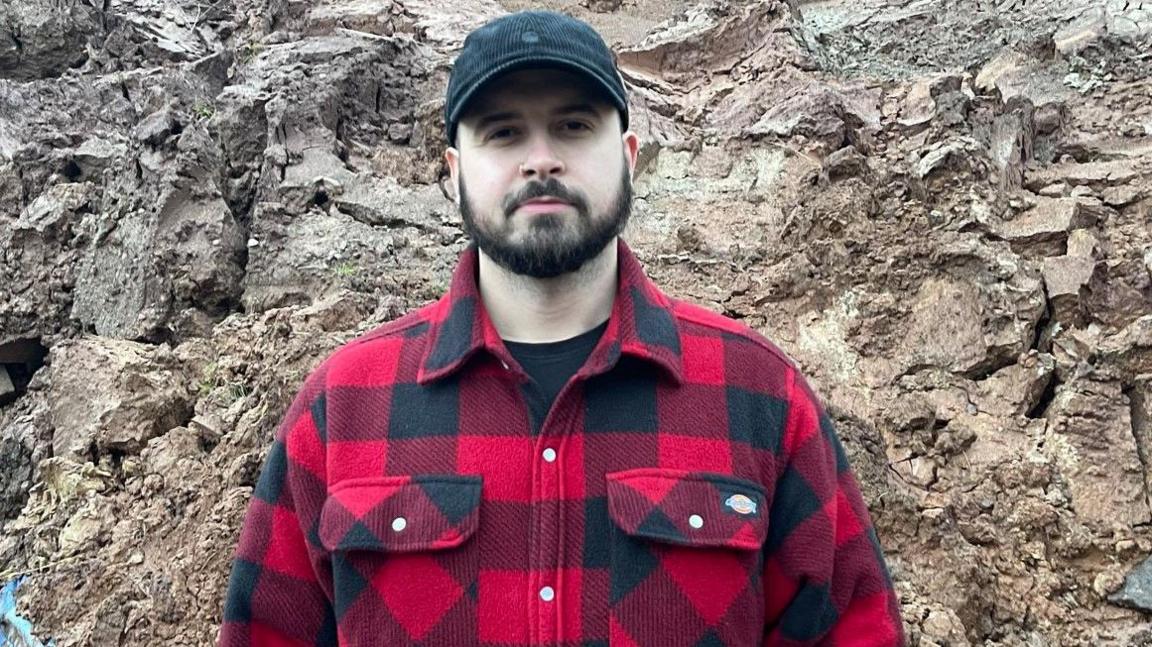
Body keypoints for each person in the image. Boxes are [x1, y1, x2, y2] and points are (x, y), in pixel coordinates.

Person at [217, 10, 904, 647]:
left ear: (630, 156)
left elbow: (852, 626)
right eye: (504, 132)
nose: (540, 158)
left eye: (574, 126)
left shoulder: (758, 393)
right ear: (454, 175)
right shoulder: (345, 406)